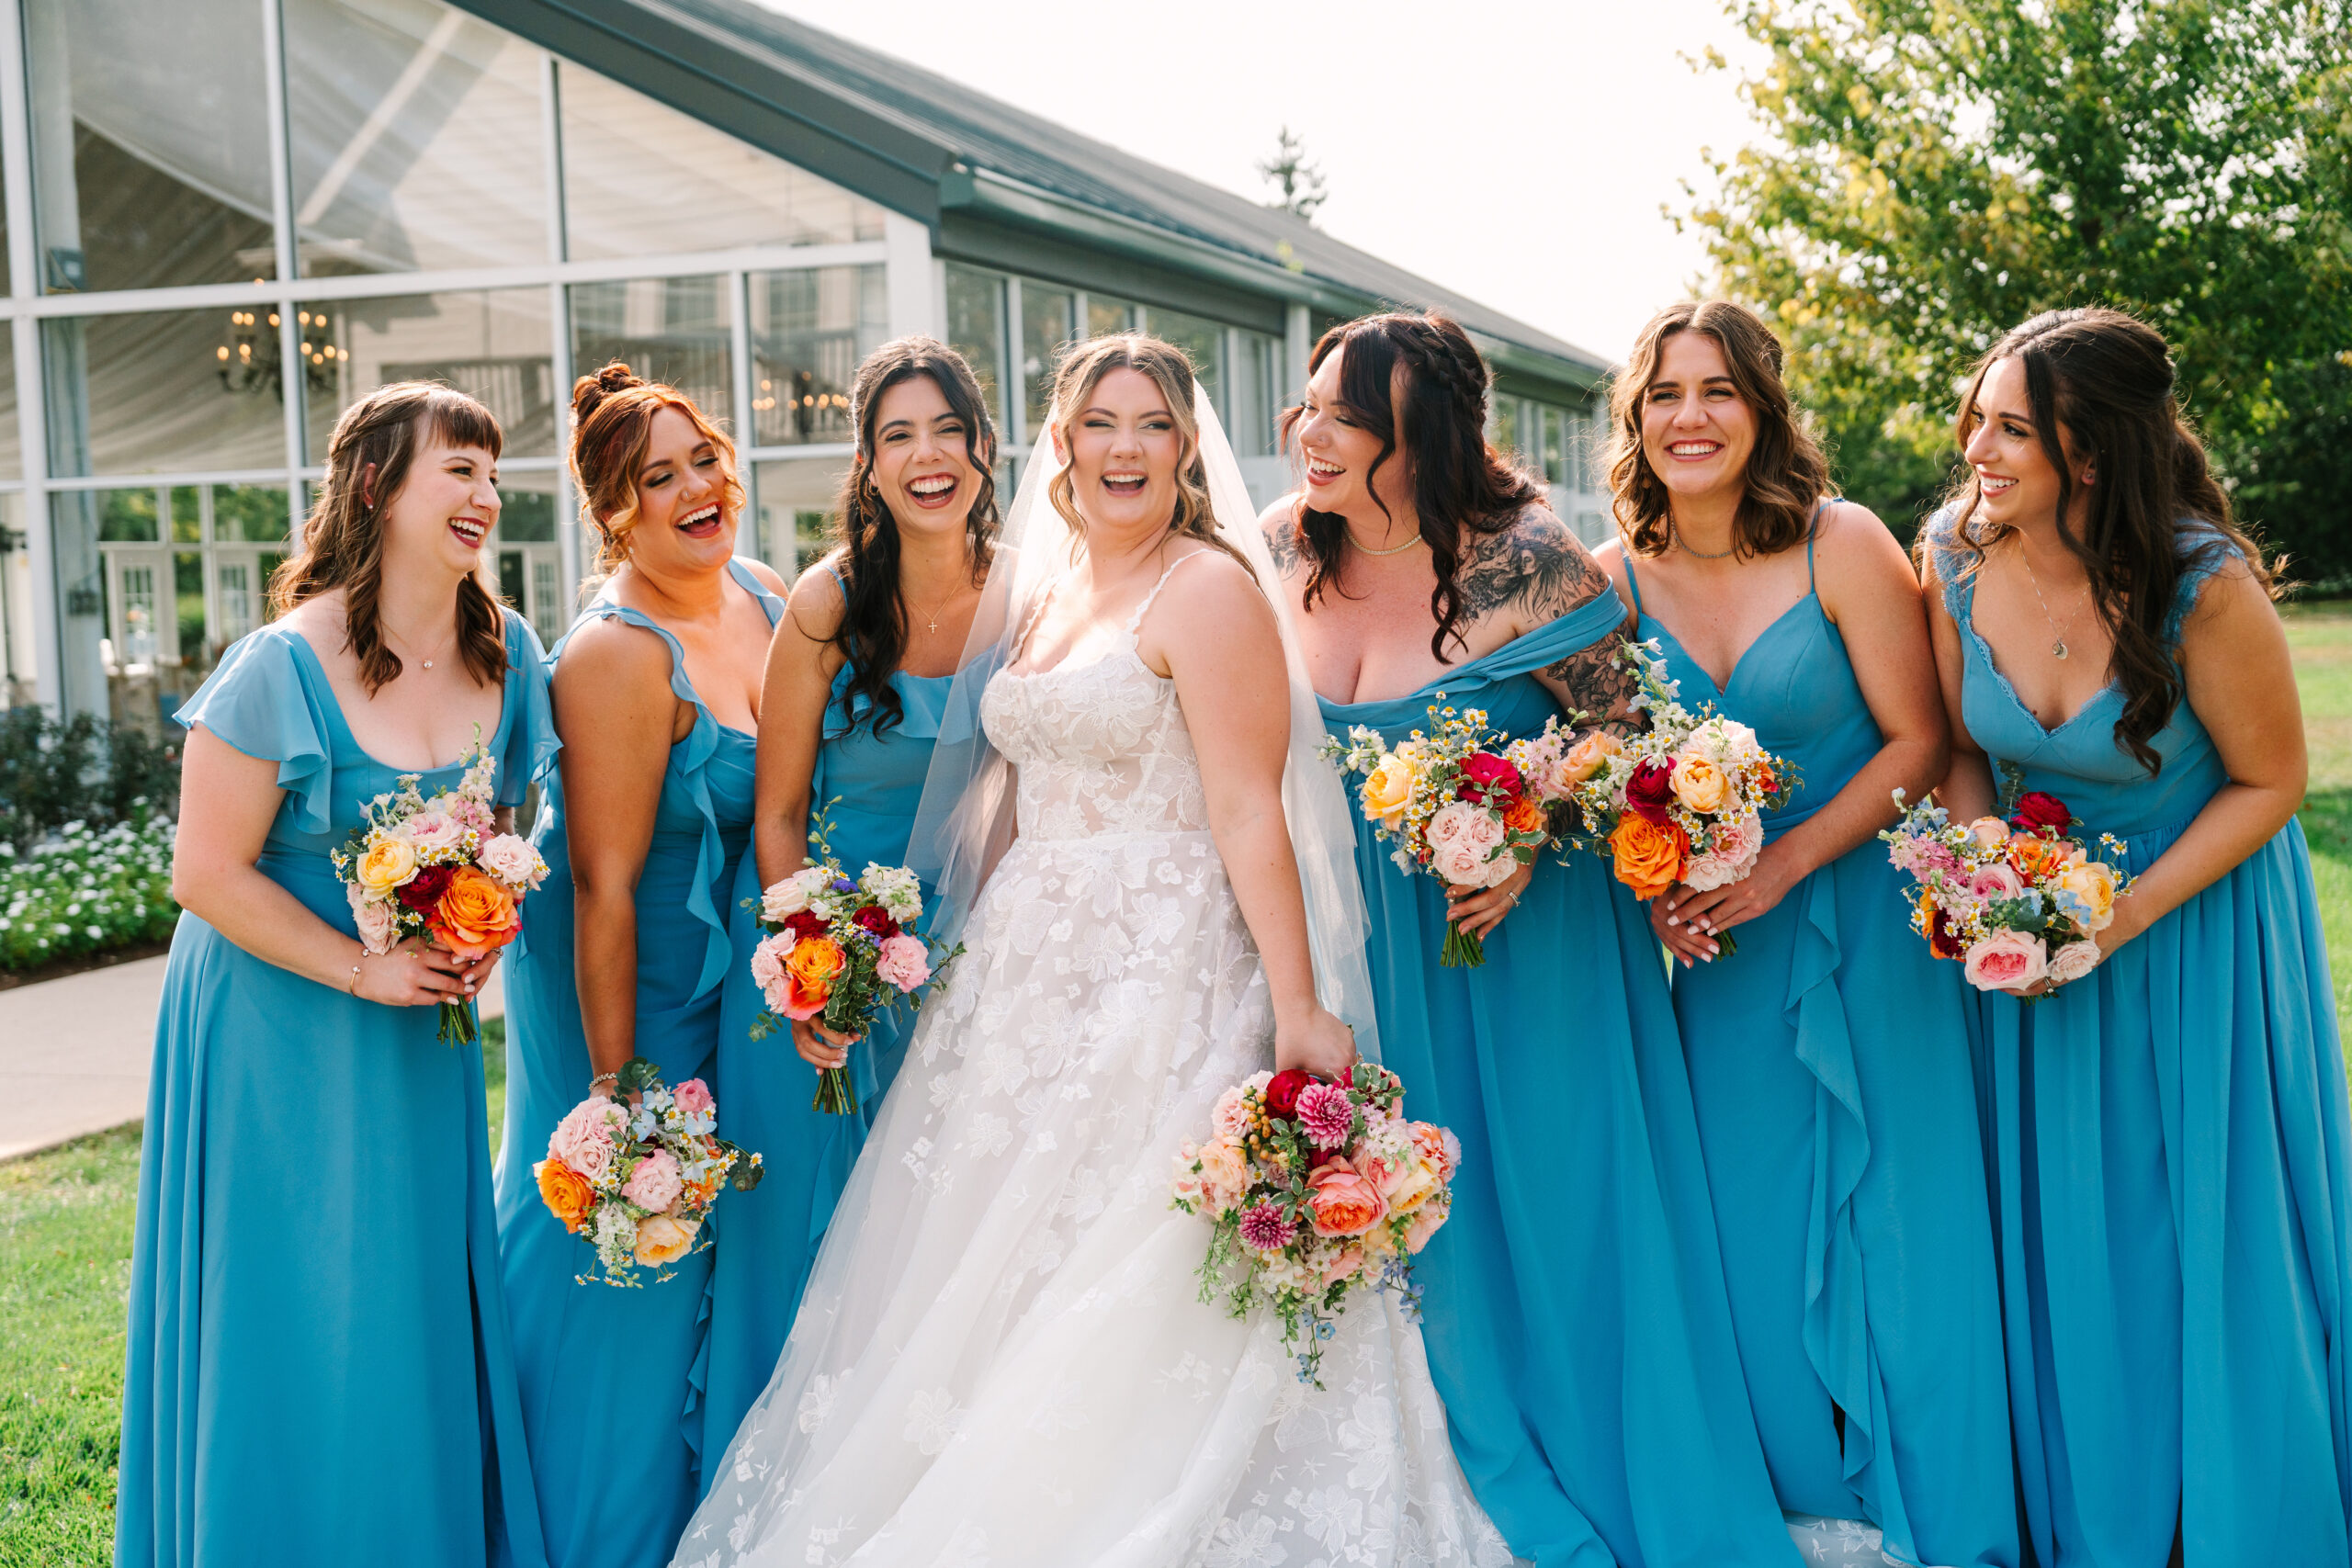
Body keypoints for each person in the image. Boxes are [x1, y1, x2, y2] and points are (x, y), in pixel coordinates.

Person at [672, 333, 1509, 1567]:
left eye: (1154, 423)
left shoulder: (1207, 588)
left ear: (1184, 448)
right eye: (1101, 423)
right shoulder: (1046, 598)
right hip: (1023, 969)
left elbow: (1243, 808)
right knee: (981, 1270)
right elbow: (1013, 795)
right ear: (1059, 444)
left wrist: (1296, 1001)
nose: (1127, 447)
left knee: (1130, 1257)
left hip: (1166, 970)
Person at [1265, 310, 1793, 1568]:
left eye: (1346, 414)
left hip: (1528, 948)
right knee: (1397, 1221)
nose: (1310, 433)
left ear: (1419, 434)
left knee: (1555, 1211)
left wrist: (1524, 821)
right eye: (1309, 404)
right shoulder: (1278, 548)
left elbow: (1637, 738)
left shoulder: (1528, 558)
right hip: (1354, 949)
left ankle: (1606, 1459)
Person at [1922, 305, 2352, 1565]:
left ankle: (2231, 1505)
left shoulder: (2202, 580)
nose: (1975, 445)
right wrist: (1988, 874)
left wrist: (2117, 916)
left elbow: (2273, 779)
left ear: (2092, 453)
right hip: (2036, 944)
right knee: (2070, 1231)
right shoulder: (1950, 551)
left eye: (2010, 426)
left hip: (2193, 937)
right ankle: (2098, 1505)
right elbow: (1958, 745)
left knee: (2192, 1227)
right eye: (1977, 415)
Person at [1592, 300, 2015, 1567]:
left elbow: (1919, 739)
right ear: (1638, 419)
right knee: (1753, 1217)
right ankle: (1805, 1503)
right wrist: (1654, 873)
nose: (1691, 417)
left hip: (1865, 921)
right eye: (1665, 394)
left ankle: (1939, 1508)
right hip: (1721, 950)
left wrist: (1783, 860)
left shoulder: (1842, 541)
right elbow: (1617, 768)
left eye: (1718, 390)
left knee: (1900, 1206)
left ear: (1762, 408)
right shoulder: (1610, 578)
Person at [116, 383, 551, 1567]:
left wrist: (482, 918)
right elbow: (203, 872)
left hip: (420, 1032)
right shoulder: (279, 664)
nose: (484, 495)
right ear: (376, 486)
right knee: (290, 1297)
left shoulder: (510, 656)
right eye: (456, 469)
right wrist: (363, 969)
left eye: (490, 473)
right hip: (272, 1025)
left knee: (399, 1303)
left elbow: (514, 828)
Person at [493, 364, 786, 1568]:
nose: (694, 489)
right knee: (629, 1262)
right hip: (627, 987)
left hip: (733, 983)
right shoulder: (616, 653)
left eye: (701, 458)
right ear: (615, 514)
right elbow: (602, 889)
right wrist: (618, 1104)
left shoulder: (764, 592)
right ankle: (586, 1537)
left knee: (718, 1262)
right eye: (655, 479)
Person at [695, 337, 1000, 1470]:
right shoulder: (825, 600)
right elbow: (775, 811)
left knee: (937, 1235)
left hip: (964, 956)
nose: (926, 459)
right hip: (809, 944)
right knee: (805, 1234)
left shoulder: (1031, 591)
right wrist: (809, 961)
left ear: (982, 445)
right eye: (896, 437)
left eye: (945, 431)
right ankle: (774, 1493)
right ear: (868, 465)